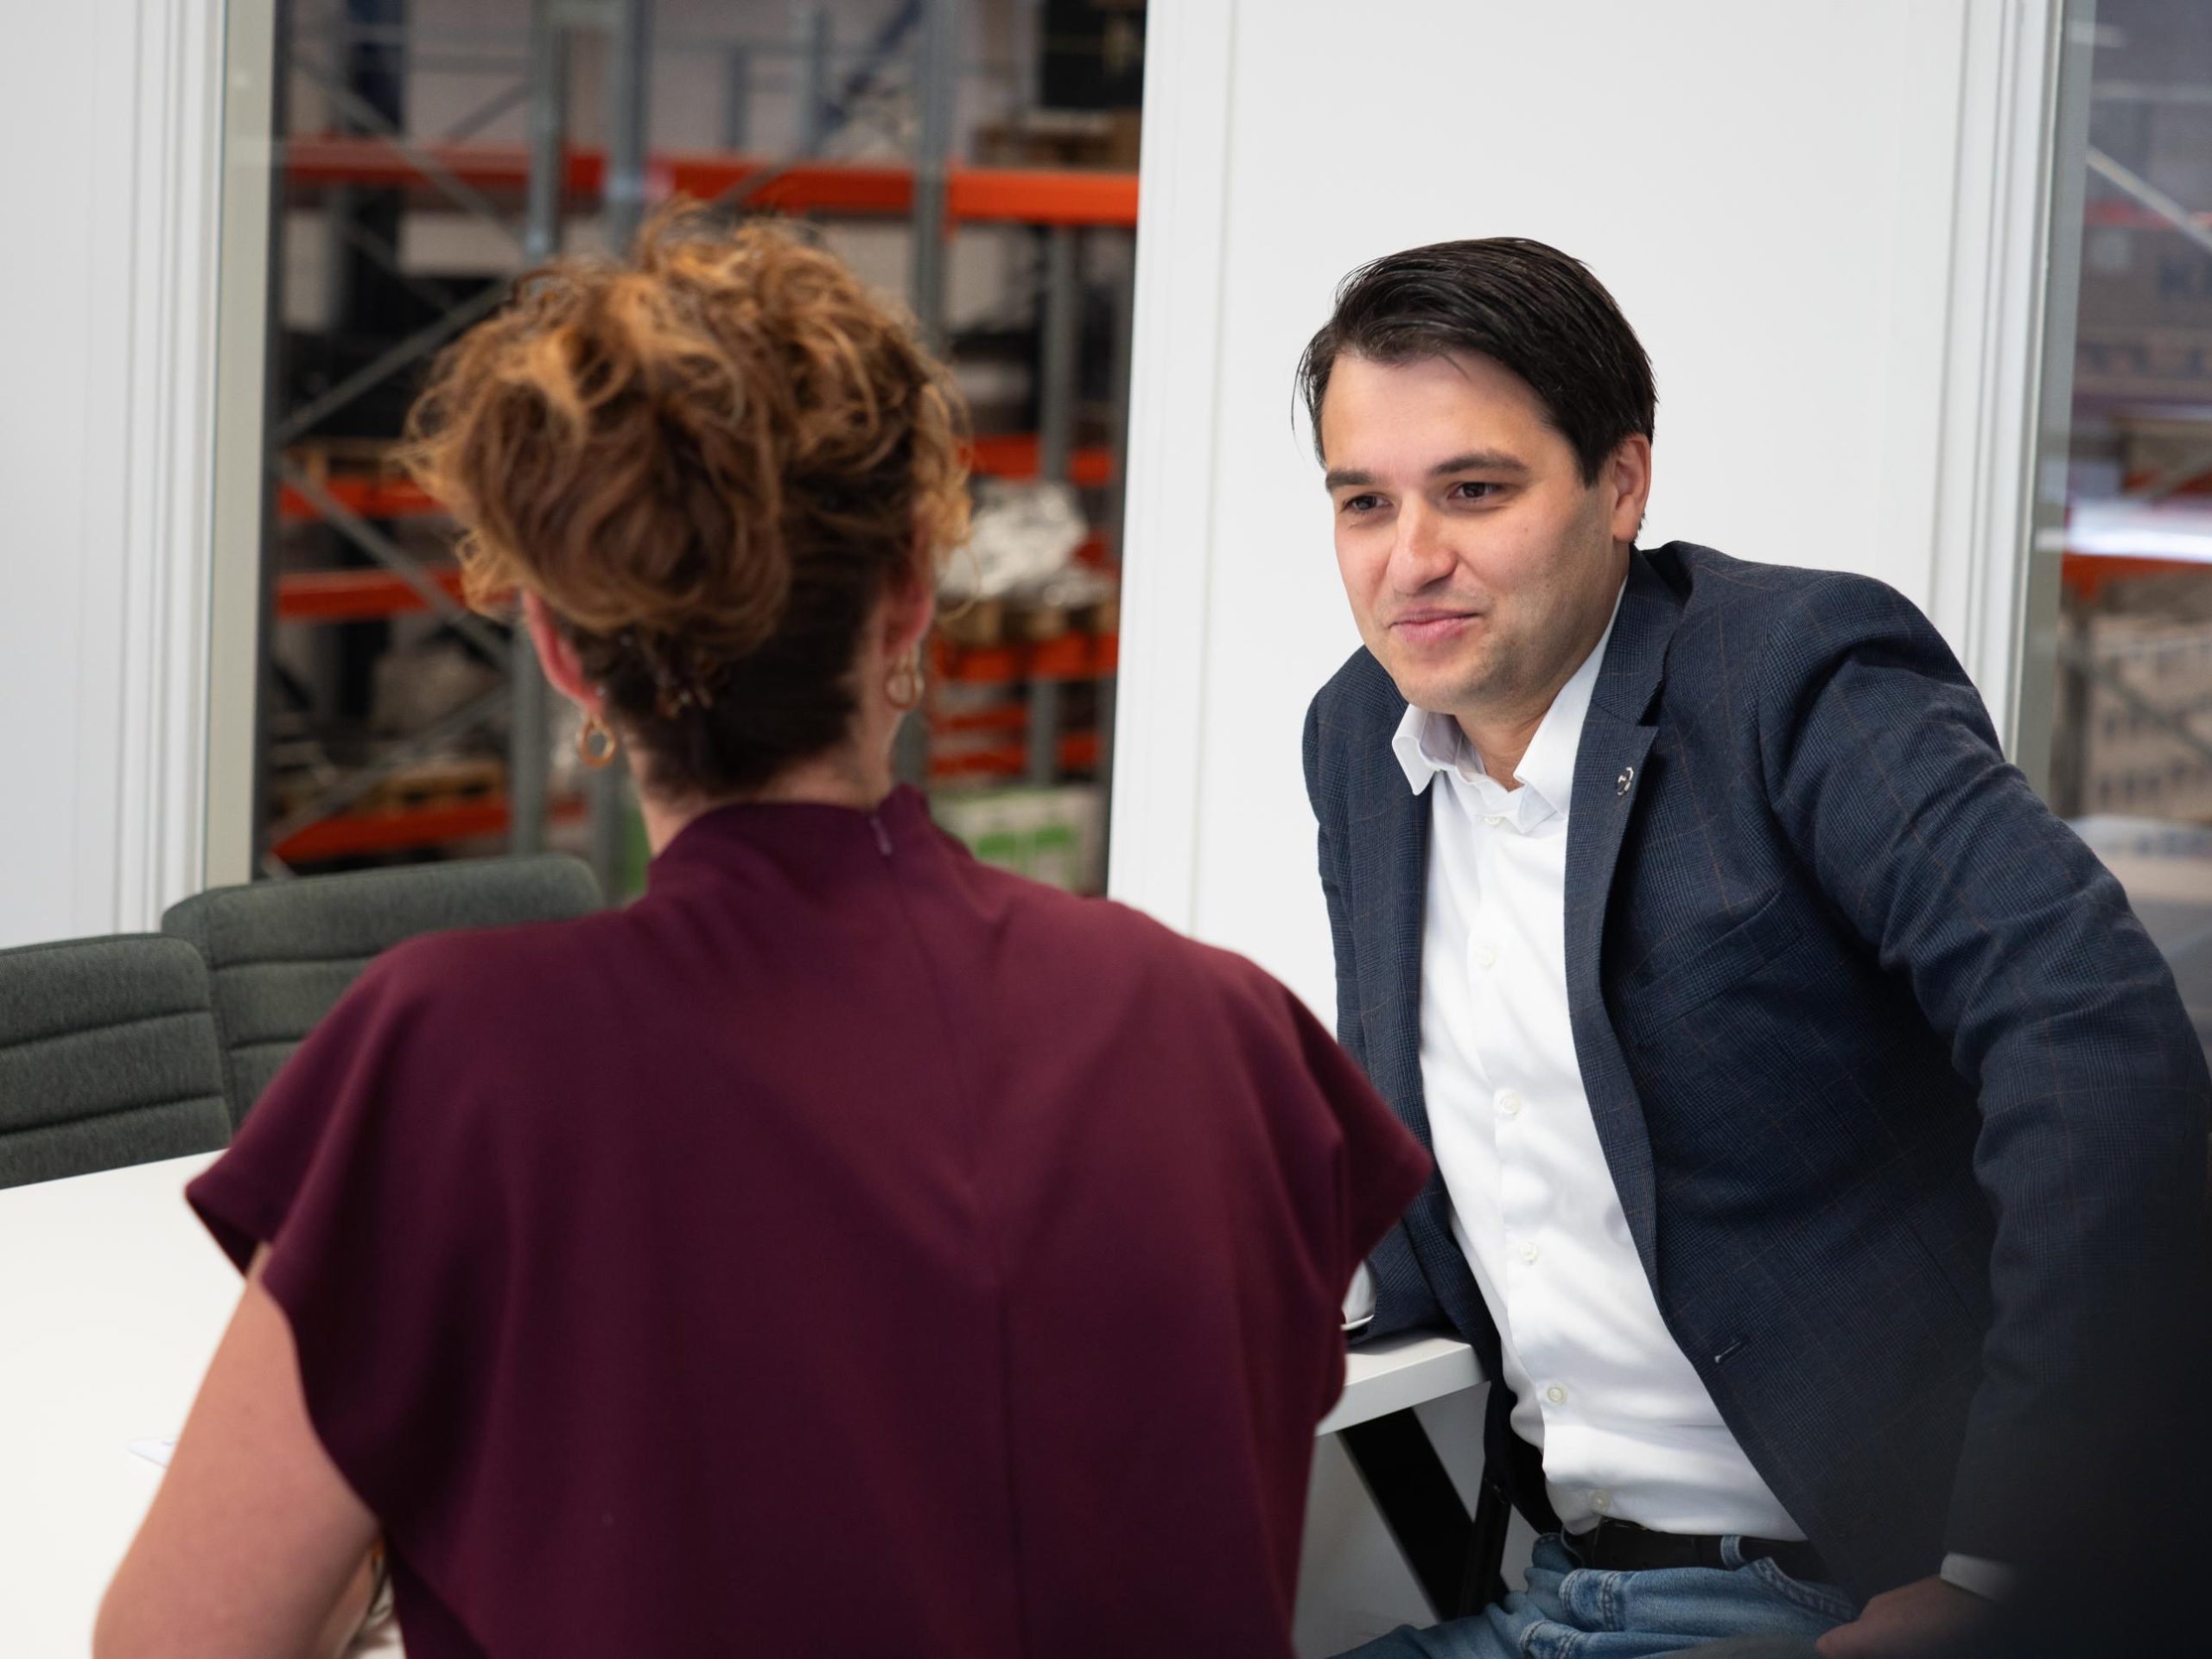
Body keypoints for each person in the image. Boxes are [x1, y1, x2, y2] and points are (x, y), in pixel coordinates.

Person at [97, 213, 1431, 1659]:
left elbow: (181, 1641)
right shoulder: (1222, 1036)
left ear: (556, 649)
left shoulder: (463, 1059)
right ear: (910, 601)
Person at [1296, 238, 2211, 1659]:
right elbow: (1465, 1150)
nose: (1412, 559)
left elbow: (2099, 1048)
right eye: (1366, 502)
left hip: (1829, 1595)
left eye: (1474, 491)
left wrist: (2004, 1566)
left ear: (1621, 484)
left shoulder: (1794, 678)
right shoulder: (1362, 737)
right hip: (1553, 1583)